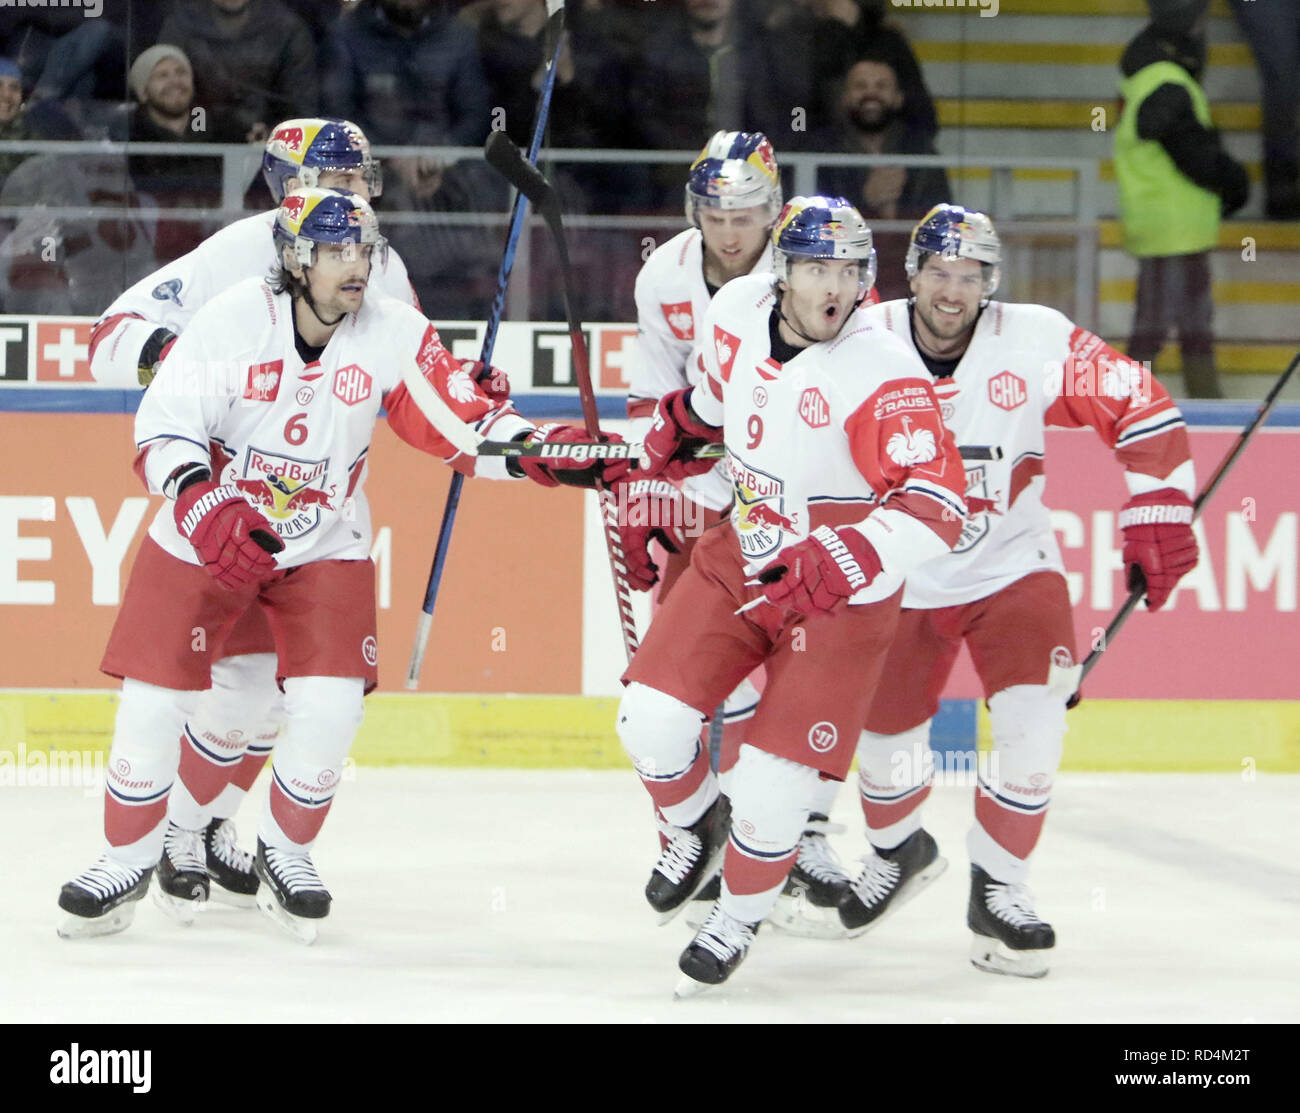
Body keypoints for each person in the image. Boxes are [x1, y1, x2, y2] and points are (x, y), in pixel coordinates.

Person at [58, 188, 628, 943]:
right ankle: (123, 857)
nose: (356, 266)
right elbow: (163, 429)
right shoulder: (231, 320)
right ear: (295, 259)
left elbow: (463, 420)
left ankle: (285, 851)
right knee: (153, 701)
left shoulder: (388, 329)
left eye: (363, 250)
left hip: (323, 540)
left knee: (329, 707)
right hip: (208, 532)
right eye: (336, 252)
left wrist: (543, 452)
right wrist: (204, 503)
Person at [614, 195, 967, 993]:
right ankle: (695, 826)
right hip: (742, 553)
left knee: (776, 790)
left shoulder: (885, 370)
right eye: (814, 268)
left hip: (842, 596)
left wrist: (846, 556)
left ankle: (736, 916)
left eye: (848, 270)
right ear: (782, 271)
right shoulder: (735, 309)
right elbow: (714, 399)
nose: (832, 287)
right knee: (649, 720)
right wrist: (680, 429)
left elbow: (941, 504)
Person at [844, 204, 1199, 977]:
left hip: (1013, 565)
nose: (952, 290)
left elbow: (1138, 400)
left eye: (970, 276)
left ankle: (1001, 890)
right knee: (884, 747)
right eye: (939, 272)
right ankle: (896, 851)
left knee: (1036, 725)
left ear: (989, 282)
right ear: (912, 276)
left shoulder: (1033, 337)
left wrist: (1159, 503)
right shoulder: (861, 339)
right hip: (901, 571)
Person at [85, 118, 420, 915]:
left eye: (356, 181)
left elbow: (408, 369)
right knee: (228, 684)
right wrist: (198, 365)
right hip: (227, 506)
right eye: (327, 182)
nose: (348, 199)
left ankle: (202, 827)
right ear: (284, 189)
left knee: (277, 696)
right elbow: (110, 337)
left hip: (318, 511)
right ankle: (173, 834)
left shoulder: (383, 265)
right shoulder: (235, 259)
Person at [625, 131, 866, 936]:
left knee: (802, 679)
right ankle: (688, 839)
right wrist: (649, 503)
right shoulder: (664, 277)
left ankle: (800, 833)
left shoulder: (806, 265)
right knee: (676, 684)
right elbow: (657, 407)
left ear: (776, 210)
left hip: (795, 494)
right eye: (716, 213)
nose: (730, 232)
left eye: (749, 212)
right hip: (709, 485)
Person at [1115, 4, 1248, 399]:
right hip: (1175, 227)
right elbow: (1196, 154)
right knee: (1175, 326)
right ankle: (1131, 401)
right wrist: (1235, 183)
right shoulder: (1169, 86)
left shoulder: (1144, 80)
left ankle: (1138, 398)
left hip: (1163, 225)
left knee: (1169, 324)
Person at [112, 45, 245, 262]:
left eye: (181, 73)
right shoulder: (130, 135)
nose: (175, 81)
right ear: (143, 91)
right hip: (157, 252)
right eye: (162, 76)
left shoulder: (221, 126)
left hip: (219, 242)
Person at [158, 0, 320, 143]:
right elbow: (161, 88)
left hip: (264, 139)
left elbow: (302, 103)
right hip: (197, 129)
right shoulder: (181, 24)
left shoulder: (286, 28)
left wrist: (275, 135)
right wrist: (190, 133)